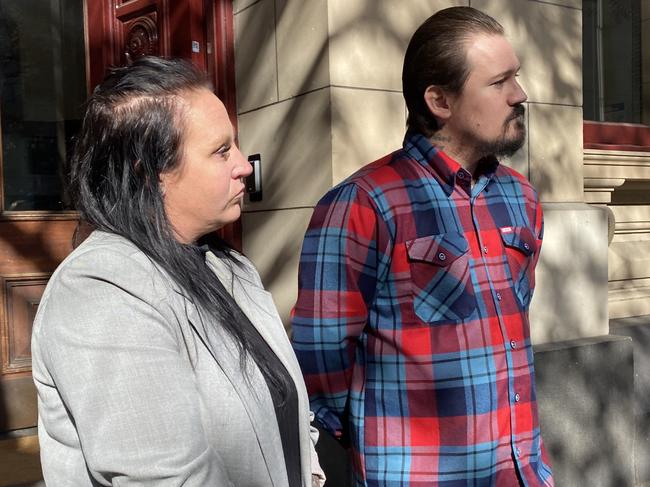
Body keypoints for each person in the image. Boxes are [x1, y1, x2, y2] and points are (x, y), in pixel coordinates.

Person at [31, 56, 325, 487]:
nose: (244, 165)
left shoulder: (229, 266)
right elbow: (166, 477)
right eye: (221, 151)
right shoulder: (101, 290)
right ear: (148, 174)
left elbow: (291, 417)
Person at [292, 6, 554, 486]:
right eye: (499, 83)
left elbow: (510, 326)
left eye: (516, 77)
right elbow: (321, 362)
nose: (520, 95)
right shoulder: (363, 204)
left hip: (520, 472)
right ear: (440, 100)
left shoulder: (521, 198)